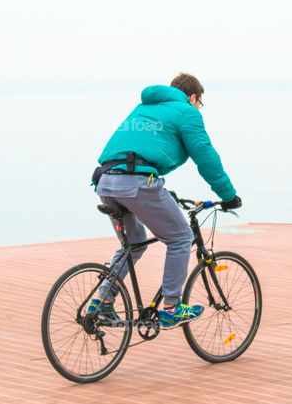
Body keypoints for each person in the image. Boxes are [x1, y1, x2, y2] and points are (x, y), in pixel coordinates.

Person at [90, 72, 241, 328]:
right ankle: (171, 307)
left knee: (135, 243)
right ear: (193, 97)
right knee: (181, 237)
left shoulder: (144, 108)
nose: (198, 107)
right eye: (199, 102)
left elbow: (141, 146)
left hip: (105, 181)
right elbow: (205, 157)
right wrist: (228, 195)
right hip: (137, 182)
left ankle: (103, 301)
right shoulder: (187, 112)